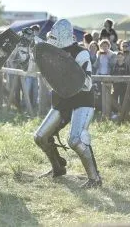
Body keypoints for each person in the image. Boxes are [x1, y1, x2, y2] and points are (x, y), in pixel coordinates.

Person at [34, 19, 102, 188]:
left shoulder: (81, 53)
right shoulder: (51, 51)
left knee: (76, 140)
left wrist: (69, 71)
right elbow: (34, 70)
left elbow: (86, 83)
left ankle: (95, 179)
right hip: (61, 100)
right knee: (41, 137)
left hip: (82, 100)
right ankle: (58, 168)